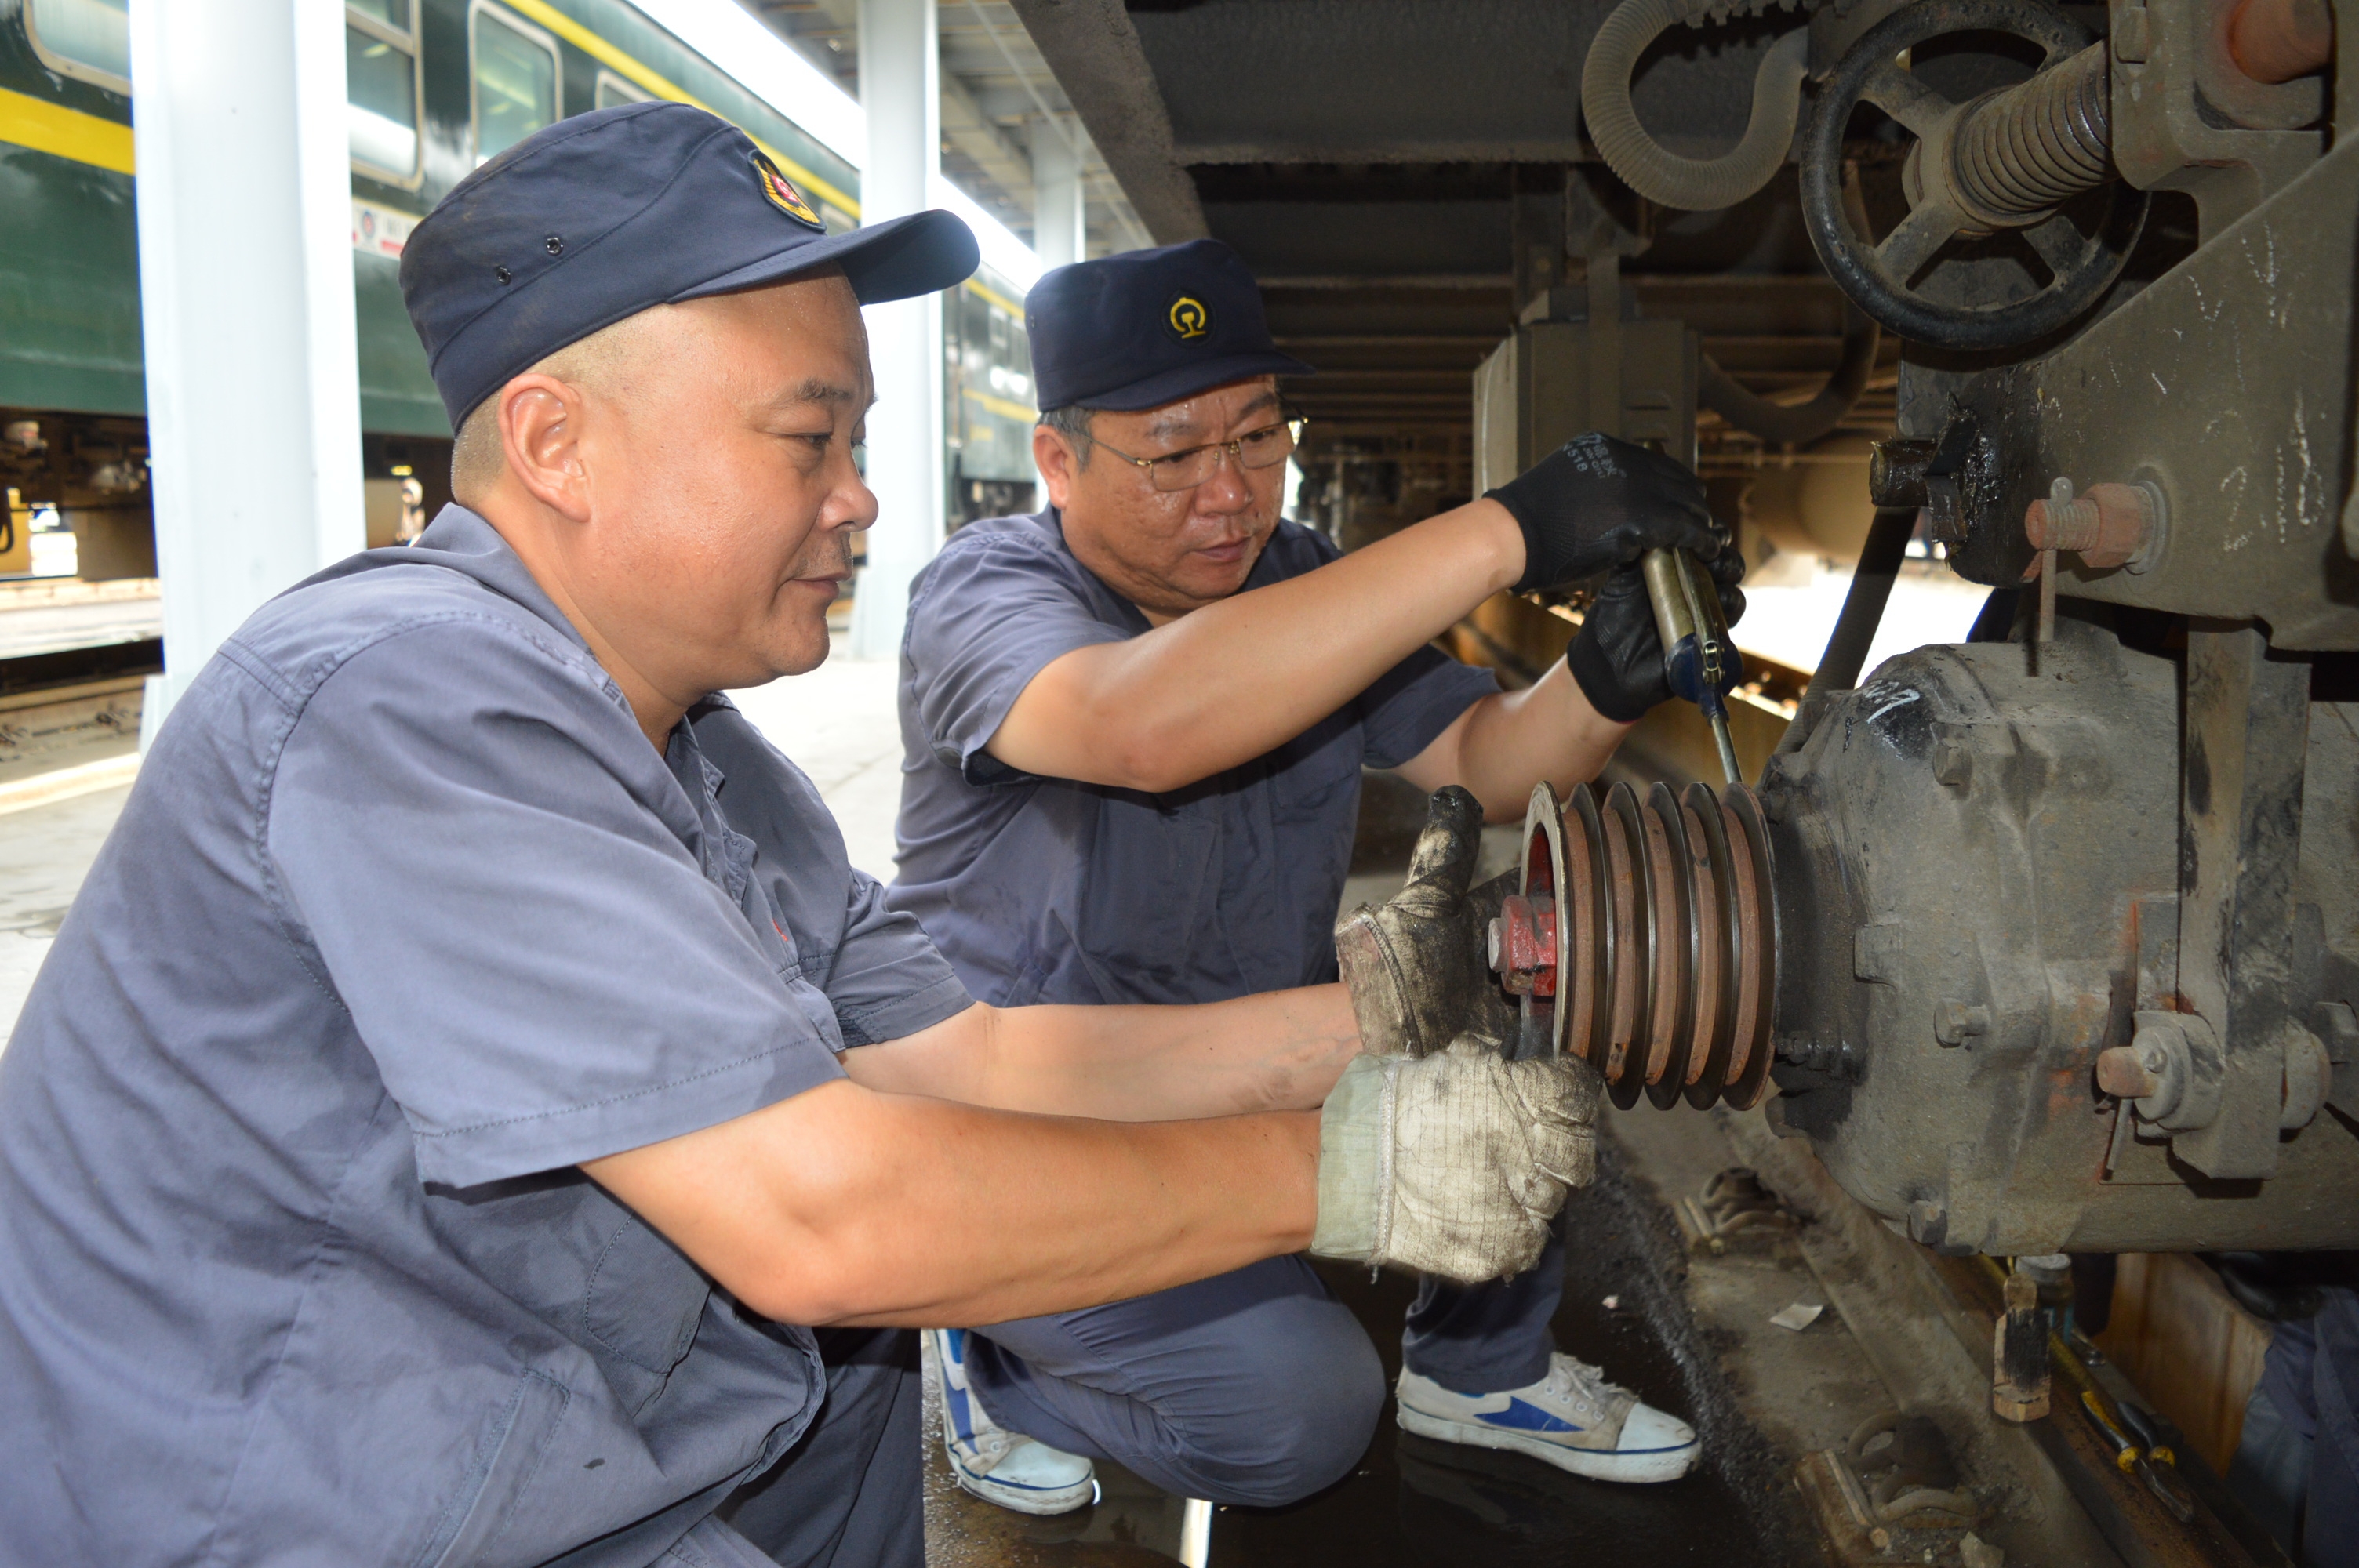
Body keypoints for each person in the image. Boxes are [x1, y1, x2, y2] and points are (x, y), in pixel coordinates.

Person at [0, 105, 1601, 1568]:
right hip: (313, 1501)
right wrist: (1350, 1170)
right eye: (805, 438)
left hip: (563, 1409)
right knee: (881, 1342)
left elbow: (981, 1064)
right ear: (555, 445)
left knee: (882, 1404)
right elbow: (822, 1215)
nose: (862, 501)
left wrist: (1369, 1024)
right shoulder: (405, 698)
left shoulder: (706, 759)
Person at [889, 239, 1745, 1513]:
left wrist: (1601, 681)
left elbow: (1489, 764)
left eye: (1258, 437)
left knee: (1503, 1009)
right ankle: (991, 1355)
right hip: (1036, 1127)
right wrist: (1504, 531)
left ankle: (1479, 1371)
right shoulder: (989, 592)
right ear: (1057, 460)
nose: (1230, 492)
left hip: (1257, 1084)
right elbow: (1141, 725)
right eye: (1173, 455)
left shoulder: (1298, 579)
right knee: (1301, 1413)